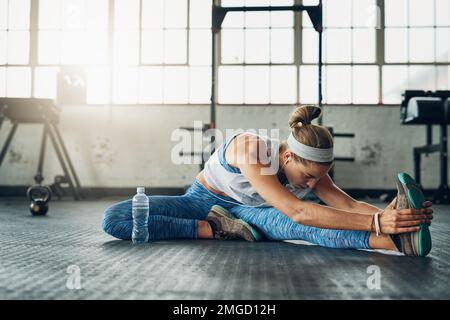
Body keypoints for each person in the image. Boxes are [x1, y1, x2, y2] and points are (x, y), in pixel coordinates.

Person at [102, 105, 433, 256]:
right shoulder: (252, 150)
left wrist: (395, 220)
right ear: (287, 157)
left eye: (318, 179)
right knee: (115, 218)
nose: (310, 185)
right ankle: (216, 229)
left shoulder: (309, 168)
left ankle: (397, 242)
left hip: (250, 214)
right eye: (306, 177)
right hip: (203, 200)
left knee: (300, 230)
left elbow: (344, 204)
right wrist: (377, 221)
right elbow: (299, 209)